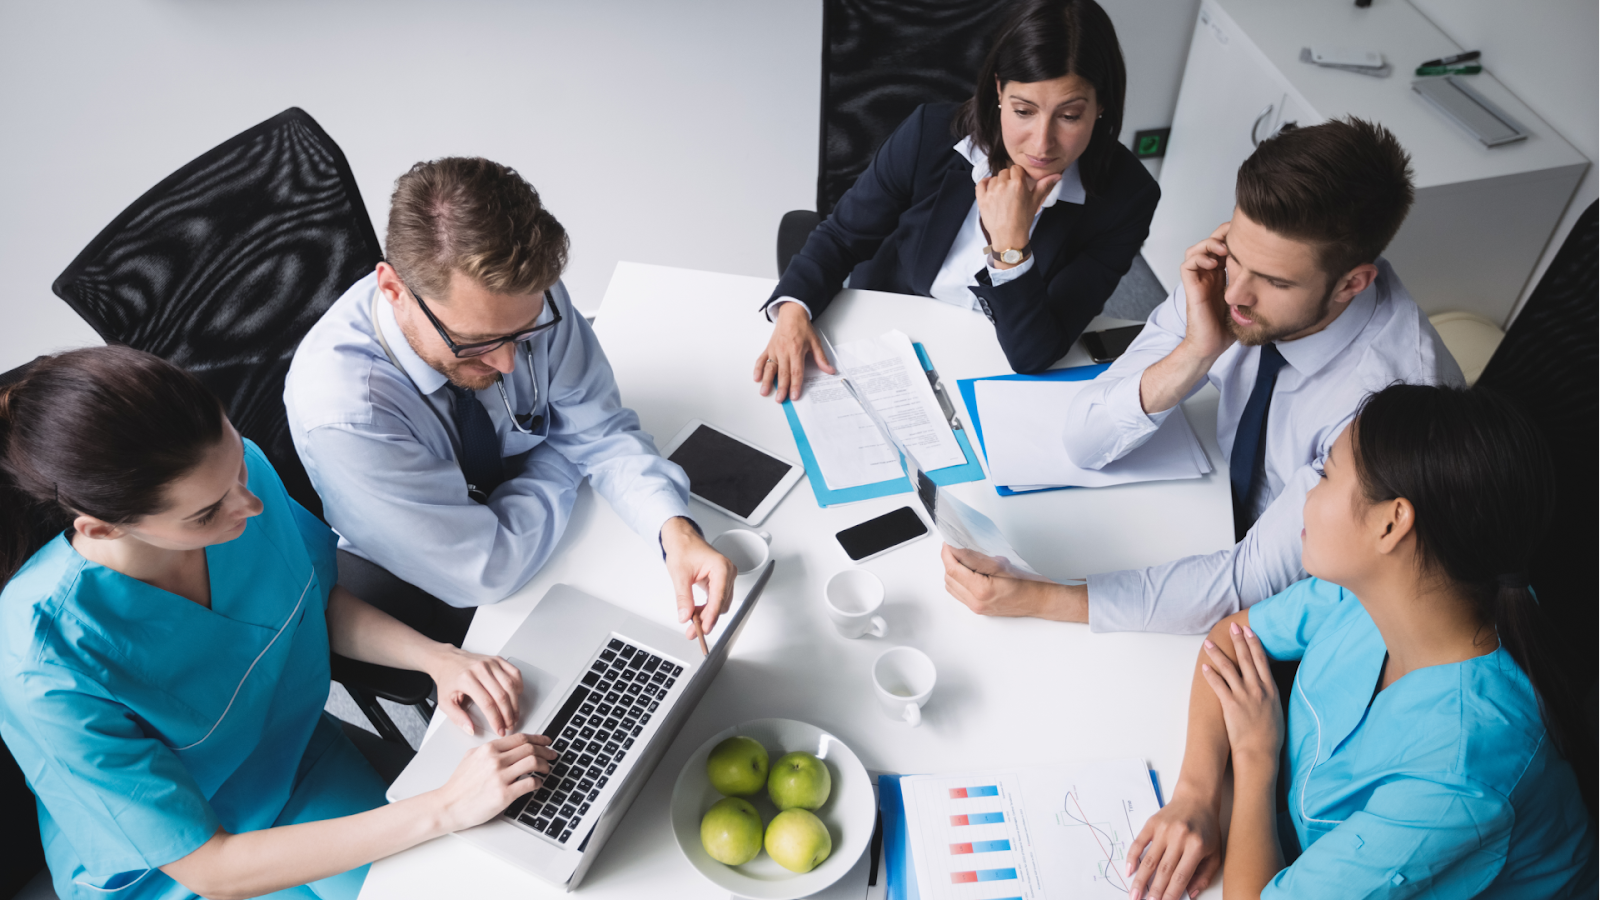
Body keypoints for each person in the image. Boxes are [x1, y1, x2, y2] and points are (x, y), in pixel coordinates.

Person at [0, 347, 553, 900]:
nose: (249, 503)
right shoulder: (43, 662)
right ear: (101, 530)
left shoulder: (236, 481)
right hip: (175, 869)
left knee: (486, 876)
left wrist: (437, 658)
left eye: (237, 461)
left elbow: (308, 598)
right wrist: (446, 806)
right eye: (206, 513)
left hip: (292, 762)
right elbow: (212, 870)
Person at [942, 118, 1463, 633]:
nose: (1236, 295)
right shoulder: (1232, 276)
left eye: (1274, 281)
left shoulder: (1389, 402)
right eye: (1236, 255)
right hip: (1210, 510)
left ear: (1352, 283)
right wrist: (1196, 350)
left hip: (1324, 598)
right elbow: (1085, 439)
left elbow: (1249, 580)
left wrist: (1042, 597)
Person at [1124, 384, 1597, 900]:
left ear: (1391, 523)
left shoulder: (1459, 771)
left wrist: (1256, 758)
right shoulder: (1386, 587)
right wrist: (1195, 795)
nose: (1308, 494)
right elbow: (1230, 639)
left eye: (1325, 474)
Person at [286, 157, 733, 646]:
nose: (507, 363)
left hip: (541, 526)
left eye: (524, 335)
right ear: (394, 289)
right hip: (437, 578)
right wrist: (562, 451)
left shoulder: (521, 295)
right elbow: (486, 571)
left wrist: (674, 530)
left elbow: (601, 431)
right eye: (475, 341)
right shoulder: (345, 416)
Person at [754, 0, 1159, 398]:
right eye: (1023, 110)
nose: (1041, 142)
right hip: (897, 332)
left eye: (1069, 116)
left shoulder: (1126, 199)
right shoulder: (928, 135)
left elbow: (1033, 353)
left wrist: (1011, 248)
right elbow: (843, 236)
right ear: (999, 89)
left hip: (996, 363)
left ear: (1101, 106)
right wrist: (792, 311)